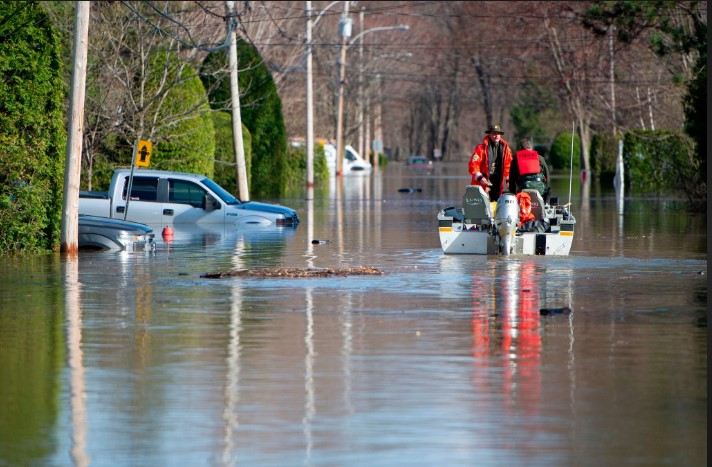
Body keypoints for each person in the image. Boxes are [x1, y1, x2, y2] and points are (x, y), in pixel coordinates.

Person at [468, 123, 513, 200]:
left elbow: (508, 165)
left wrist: (509, 180)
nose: (496, 136)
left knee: (496, 202)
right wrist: (480, 177)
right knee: (482, 204)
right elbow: (473, 165)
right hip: (483, 182)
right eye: (494, 133)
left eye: (498, 133)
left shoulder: (505, 149)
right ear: (489, 134)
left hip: (497, 181)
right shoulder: (481, 148)